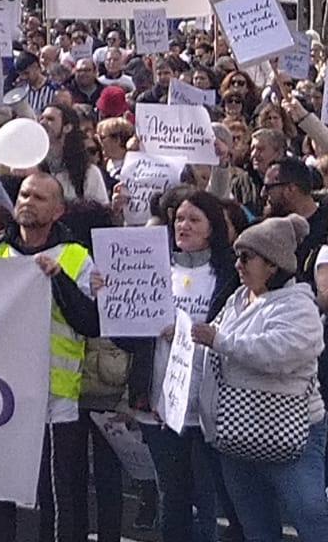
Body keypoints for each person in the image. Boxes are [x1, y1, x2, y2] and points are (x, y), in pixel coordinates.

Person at [195, 213, 328, 541]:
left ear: (273, 265)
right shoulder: (237, 299)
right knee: (256, 526)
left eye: (246, 257)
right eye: (237, 256)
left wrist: (219, 340)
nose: (238, 265)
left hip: (291, 437)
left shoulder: (299, 307)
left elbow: (278, 353)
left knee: (311, 521)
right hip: (236, 437)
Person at [0, 173, 100, 542]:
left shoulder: (76, 256)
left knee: (60, 495)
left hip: (56, 399)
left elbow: (90, 322)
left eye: (39, 197)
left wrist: (60, 279)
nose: (28, 202)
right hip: (0, 396)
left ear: (58, 210)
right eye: (23, 194)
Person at [132, 189, 237, 542]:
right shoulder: (151, 269)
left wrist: (188, 330)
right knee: (172, 496)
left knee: (210, 496)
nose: (184, 226)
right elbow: (124, 334)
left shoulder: (228, 273)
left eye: (194, 219)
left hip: (212, 404)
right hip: (162, 404)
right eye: (179, 219)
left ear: (212, 227)